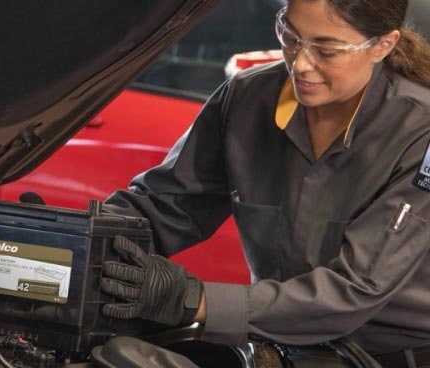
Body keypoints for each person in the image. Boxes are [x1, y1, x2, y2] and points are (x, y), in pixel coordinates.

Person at [99, 0, 430, 366]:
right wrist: (78, 238)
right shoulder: (245, 99)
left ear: (383, 44)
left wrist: (190, 299)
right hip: (279, 353)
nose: (300, 63)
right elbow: (164, 208)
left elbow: (354, 290)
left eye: (327, 50)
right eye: (290, 36)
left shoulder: (421, 133)